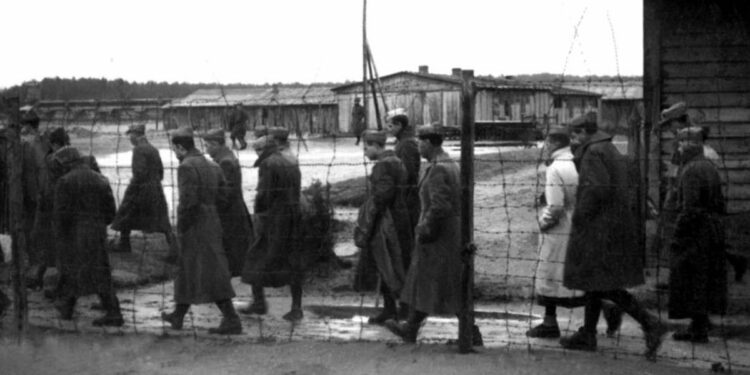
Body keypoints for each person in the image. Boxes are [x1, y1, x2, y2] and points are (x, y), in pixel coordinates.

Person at [559, 112, 665, 360]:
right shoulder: (607, 148)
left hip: (599, 229)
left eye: (575, 135)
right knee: (594, 281)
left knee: (603, 282)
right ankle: (587, 333)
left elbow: (596, 189)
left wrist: (580, 216)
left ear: (585, 132)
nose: (573, 140)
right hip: (612, 225)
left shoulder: (593, 152)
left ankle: (650, 323)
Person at [385, 125, 481, 345]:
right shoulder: (449, 164)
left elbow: (439, 206)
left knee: (438, 281)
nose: (418, 146)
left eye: (420, 142)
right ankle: (413, 327)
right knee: (434, 281)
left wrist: (424, 228)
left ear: (429, 142)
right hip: (450, 233)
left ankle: (468, 333)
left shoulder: (439, 168)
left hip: (439, 235)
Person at [160, 127, 241, 335]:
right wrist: (211, 212)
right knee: (188, 269)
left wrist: (183, 227)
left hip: (195, 224)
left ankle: (231, 318)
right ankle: (178, 315)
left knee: (209, 270)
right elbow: (224, 197)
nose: (175, 154)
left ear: (179, 147)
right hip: (212, 220)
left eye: (174, 149)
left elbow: (188, 201)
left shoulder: (186, 166)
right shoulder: (212, 164)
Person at [668, 126, 727, 343]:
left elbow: (689, 207)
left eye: (683, 142)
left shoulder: (692, 170)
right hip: (709, 228)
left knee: (691, 278)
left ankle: (698, 328)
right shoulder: (708, 166)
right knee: (702, 278)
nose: (680, 146)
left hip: (695, 232)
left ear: (690, 144)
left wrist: (678, 233)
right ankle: (698, 326)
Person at [52, 146, 123, 326]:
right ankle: (108, 309)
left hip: (73, 233)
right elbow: (111, 213)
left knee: (71, 270)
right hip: (96, 232)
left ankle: (71, 309)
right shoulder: (101, 179)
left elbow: (61, 214)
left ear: (65, 164)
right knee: (99, 272)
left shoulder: (65, 181)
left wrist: (60, 234)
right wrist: (98, 225)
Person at [240, 135, 304, 321]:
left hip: (274, 218)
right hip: (293, 216)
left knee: (254, 257)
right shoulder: (289, 161)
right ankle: (296, 306)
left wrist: (259, 213)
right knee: (292, 261)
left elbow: (264, 194)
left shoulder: (268, 164)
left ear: (261, 150)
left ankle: (258, 302)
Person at [353, 130, 413, 325]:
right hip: (400, 216)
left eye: (366, 147)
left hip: (387, 221)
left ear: (377, 146)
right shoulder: (397, 161)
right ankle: (396, 308)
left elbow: (382, 196)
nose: (365, 152)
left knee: (388, 262)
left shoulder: (383, 166)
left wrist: (369, 218)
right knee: (397, 263)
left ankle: (396, 309)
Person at [111, 124, 177, 258]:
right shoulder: (153, 148)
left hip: (141, 189)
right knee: (162, 220)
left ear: (136, 135)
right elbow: (161, 172)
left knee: (125, 213)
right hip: (155, 188)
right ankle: (175, 248)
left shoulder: (139, 150)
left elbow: (139, 173)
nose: (130, 138)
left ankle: (124, 244)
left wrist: (132, 188)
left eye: (131, 135)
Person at [200, 128, 253, 277]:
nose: (206, 149)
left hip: (229, 211)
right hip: (233, 208)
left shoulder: (225, 162)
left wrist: (211, 204)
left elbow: (225, 191)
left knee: (231, 244)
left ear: (216, 144)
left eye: (207, 145)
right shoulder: (225, 158)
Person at [699, 126, 746, 282]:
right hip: (709, 198)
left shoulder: (705, 154)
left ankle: (733, 262)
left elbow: (709, 179)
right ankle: (734, 261)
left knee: (706, 237)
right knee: (706, 238)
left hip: (706, 200)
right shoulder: (708, 153)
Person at [387, 109, 421, 250]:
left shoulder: (407, 144)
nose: (389, 130)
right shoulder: (403, 141)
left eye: (391, 126)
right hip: (406, 192)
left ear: (399, 125)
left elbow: (409, 171)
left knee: (407, 228)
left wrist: (400, 189)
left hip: (407, 194)